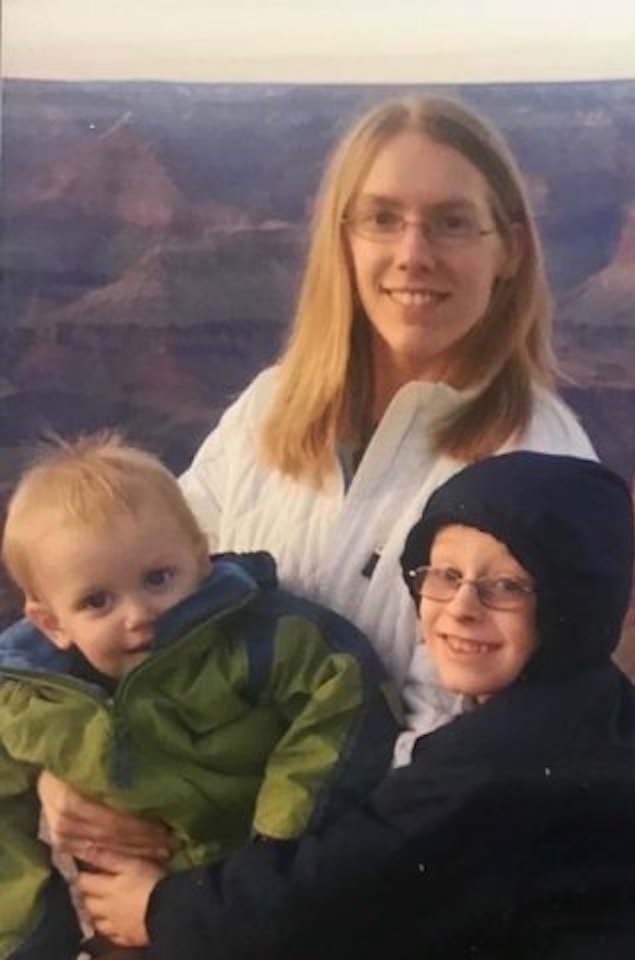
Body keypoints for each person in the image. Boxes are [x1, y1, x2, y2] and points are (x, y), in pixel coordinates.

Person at [37, 94, 596, 858]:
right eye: (382, 219)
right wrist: (70, 758)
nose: (413, 253)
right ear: (342, 240)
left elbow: (464, 761)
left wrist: (214, 902)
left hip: (370, 898)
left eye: (452, 221)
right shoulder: (271, 408)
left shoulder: (538, 465)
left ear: (510, 250)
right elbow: (131, 587)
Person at [79, 452, 635, 959]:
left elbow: (334, 890)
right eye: (444, 574)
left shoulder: (506, 761)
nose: (460, 608)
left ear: (571, 605)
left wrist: (161, 909)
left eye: (506, 587)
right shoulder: (601, 704)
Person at [0, 434, 398, 960]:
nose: (138, 613)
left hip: (247, 897)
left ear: (200, 555)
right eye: (98, 601)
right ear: (51, 623)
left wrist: (276, 842)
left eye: (158, 579)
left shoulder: (255, 639)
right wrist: (27, 940)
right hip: (122, 915)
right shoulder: (29, 701)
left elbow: (341, 690)